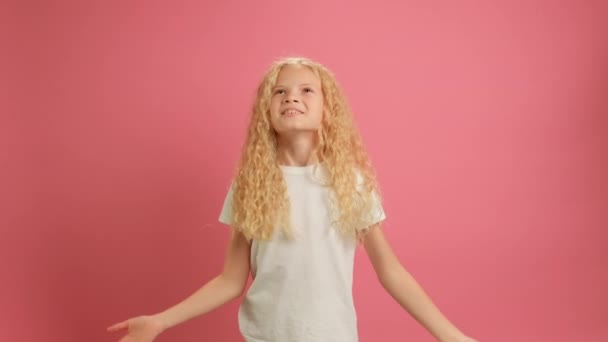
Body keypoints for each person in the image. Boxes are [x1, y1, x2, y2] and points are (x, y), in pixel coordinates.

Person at [107, 57, 478, 342]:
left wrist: (450, 335)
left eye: (306, 90)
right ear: (266, 112)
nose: (291, 97)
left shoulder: (350, 183)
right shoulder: (251, 186)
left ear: (326, 110)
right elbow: (230, 281)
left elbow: (390, 271)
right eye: (280, 91)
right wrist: (159, 321)